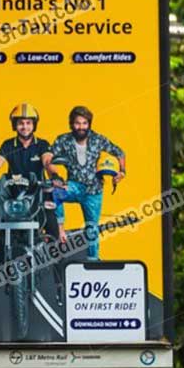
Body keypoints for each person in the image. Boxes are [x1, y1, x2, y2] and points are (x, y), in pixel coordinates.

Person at [0, 103, 64, 262]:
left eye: (28, 123)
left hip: (37, 193)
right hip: (13, 194)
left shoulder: (41, 144)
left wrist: (55, 175)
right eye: (21, 123)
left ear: (34, 125)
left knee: (52, 226)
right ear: (15, 125)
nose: (25, 127)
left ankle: (58, 276)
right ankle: (1, 252)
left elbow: (48, 162)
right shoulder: (8, 145)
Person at [49, 106, 126, 261]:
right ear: (71, 124)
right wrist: (55, 177)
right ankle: (60, 230)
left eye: (85, 123)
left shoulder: (98, 139)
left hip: (93, 189)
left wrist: (122, 172)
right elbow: (49, 158)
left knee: (92, 228)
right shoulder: (63, 140)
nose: (81, 127)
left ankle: (93, 261)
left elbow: (119, 152)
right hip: (73, 185)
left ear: (89, 124)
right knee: (54, 192)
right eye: (77, 123)